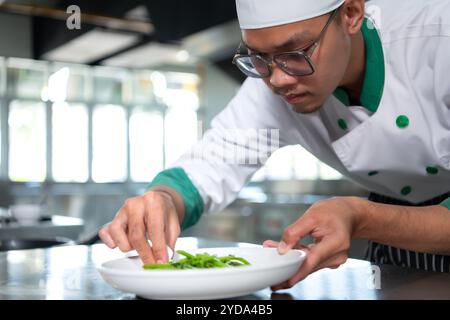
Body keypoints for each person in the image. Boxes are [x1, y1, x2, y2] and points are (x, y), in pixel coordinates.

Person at [99, 0, 450, 290]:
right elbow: (214, 161)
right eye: (259, 58)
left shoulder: (438, 38)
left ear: (351, 14)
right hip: (397, 240)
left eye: (295, 52)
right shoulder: (270, 88)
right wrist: (162, 199)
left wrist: (360, 216)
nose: (278, 80)